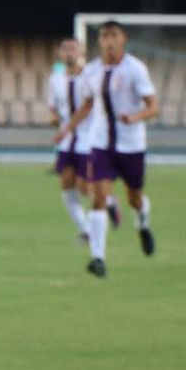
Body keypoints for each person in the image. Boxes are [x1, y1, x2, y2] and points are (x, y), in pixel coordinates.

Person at [57, 21, 159, 278]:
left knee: (134, 197)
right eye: (104, 35)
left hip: (131, 144)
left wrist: (134, 118)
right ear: (99, 40)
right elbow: (89, 104)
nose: (108, 40)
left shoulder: (135, 69)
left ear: (123, 38)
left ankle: (143, 223)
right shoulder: (91, 71)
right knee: (98, 197)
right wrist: (68, 127)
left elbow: (153, 106)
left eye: (113, 34)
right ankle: (98, 258)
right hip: (101, 143)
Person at [46, 38, 92, 245]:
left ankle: (109, 203)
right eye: (65, 49)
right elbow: (52, 106)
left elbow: (90, 106)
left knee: (85, 187)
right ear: (60, 53)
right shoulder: (55, 79)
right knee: (66, 186)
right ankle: (86, 230)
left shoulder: (90, 76)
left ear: (81, 52)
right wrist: (53, 117)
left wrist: (66, 128)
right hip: (66, 141)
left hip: (89, 138)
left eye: (73, 48)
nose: (69, 52)